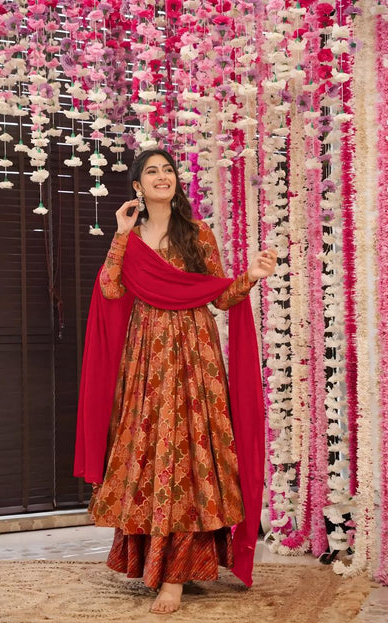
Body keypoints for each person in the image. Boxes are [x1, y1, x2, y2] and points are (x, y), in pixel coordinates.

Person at [74, 149, 277, 614]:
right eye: (152, 172)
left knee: (190, 455)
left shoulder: (197, 233)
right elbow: (110, 288)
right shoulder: (131, 238)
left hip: (194, 356)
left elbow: (219, 296)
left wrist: (250, 276)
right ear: (138, 186)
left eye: (168, 170)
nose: (162, 177)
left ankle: (177, 576)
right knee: (150, 453)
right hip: (146, 359)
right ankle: (153, 563)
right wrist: (120, 234)